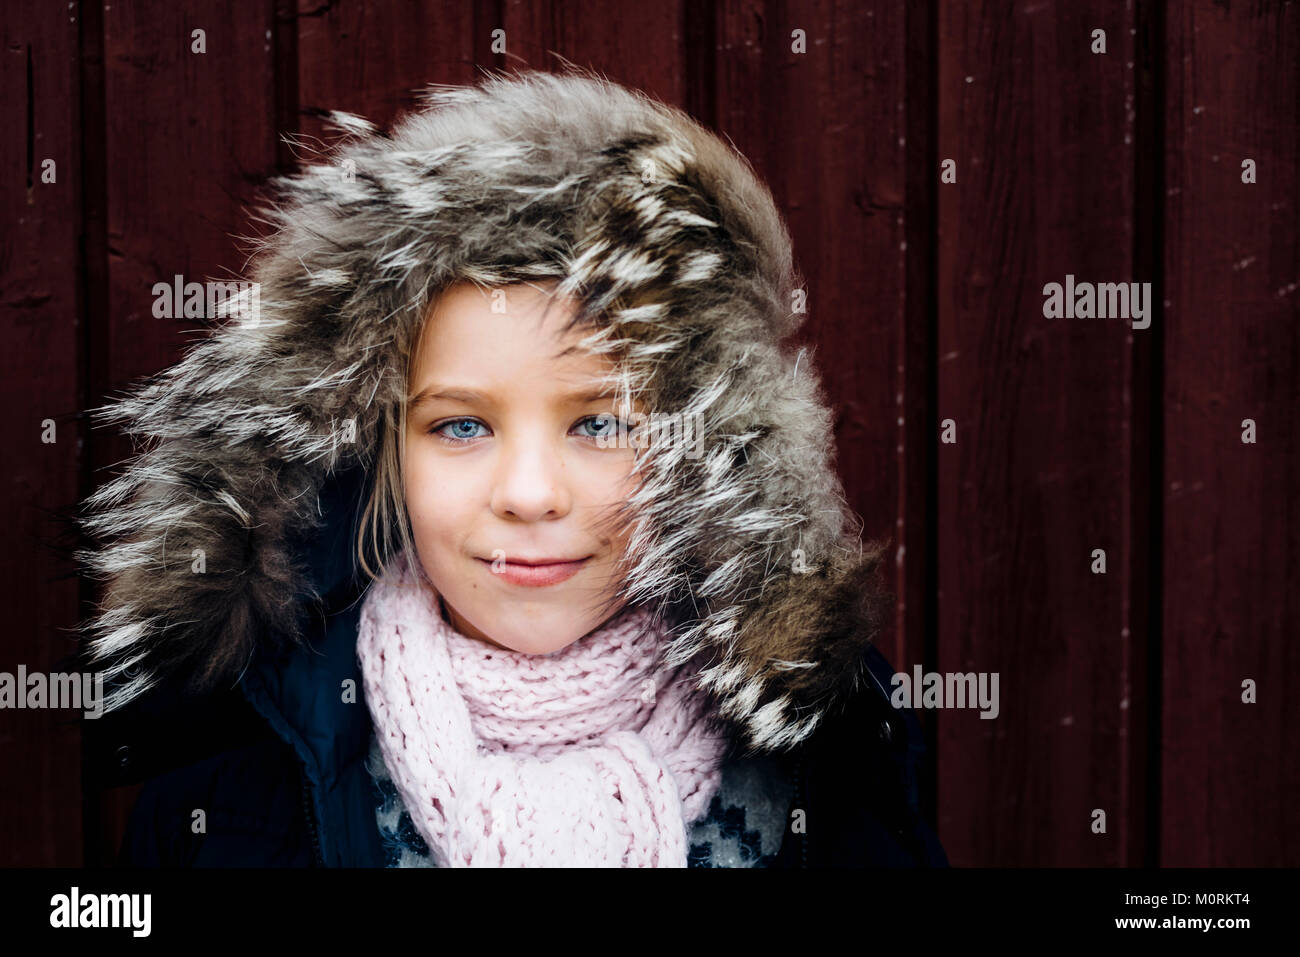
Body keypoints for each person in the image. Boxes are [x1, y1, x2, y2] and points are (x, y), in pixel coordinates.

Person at [78, 66, 948, 868]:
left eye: (600, 422)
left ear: (703, 450)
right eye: (461, 426)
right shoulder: (237, 790)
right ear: (381, 449)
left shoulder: (825, 768)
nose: (529, 493)